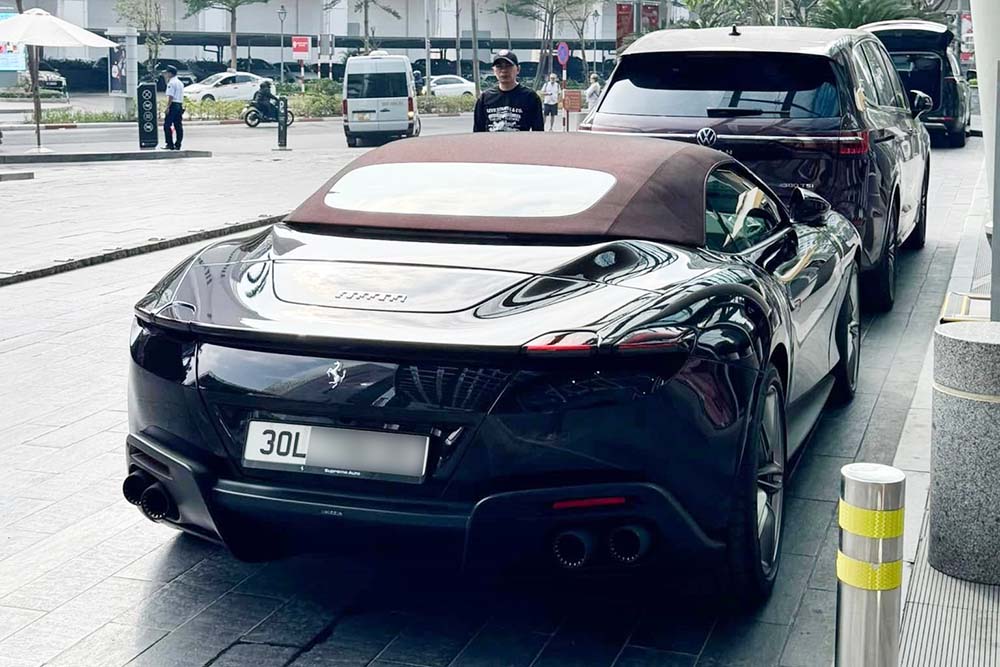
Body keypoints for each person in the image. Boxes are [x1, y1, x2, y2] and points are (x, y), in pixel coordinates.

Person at [473, 50, 544, 133]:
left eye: (508, 66)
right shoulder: (484, 98)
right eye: (499, 66)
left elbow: (538, 132)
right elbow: (477, 132)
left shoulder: (530, 97)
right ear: (493, 70)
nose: (504, 70)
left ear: (518, 69)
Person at [162, 65, 184, 150]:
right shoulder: (180, 83)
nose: (166, 74)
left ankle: (169, 144)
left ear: (171, 73)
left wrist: (167, 107)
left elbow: (170, 96)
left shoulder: (171, 83)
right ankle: (178, 144)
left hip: (173, 104)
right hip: (179, 104)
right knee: (178, 125)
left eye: (167, 73)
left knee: (167, 125)